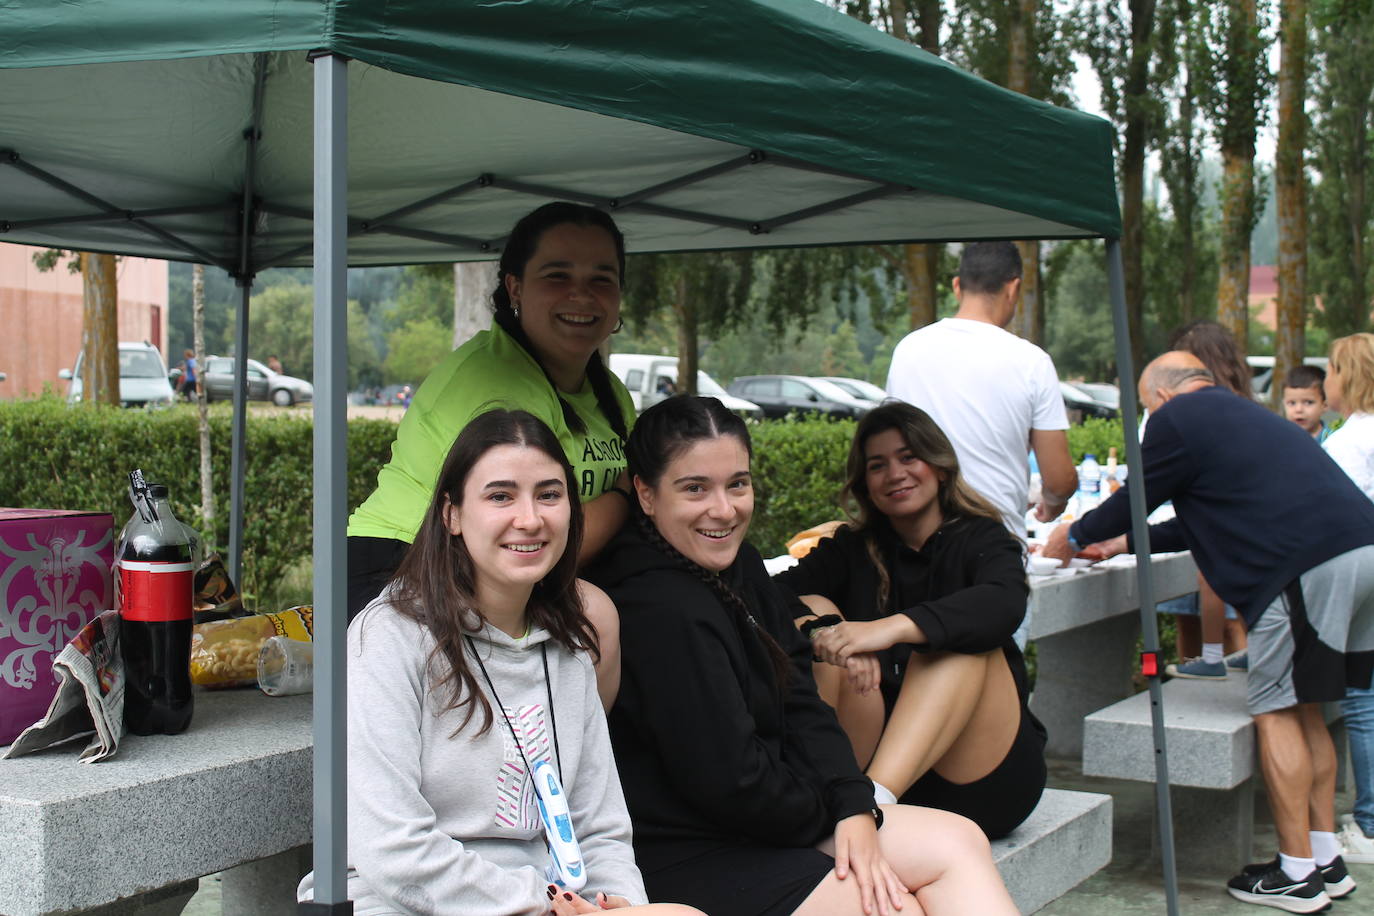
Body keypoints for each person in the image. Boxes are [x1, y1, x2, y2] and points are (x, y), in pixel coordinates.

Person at [587, 396, 1018, 916]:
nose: (723, 509)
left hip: (765, 818)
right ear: (646, 494)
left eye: (737, 484)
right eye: (694, 488)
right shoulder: (655, 605)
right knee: (889, 906)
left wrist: (854, 804)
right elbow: (731, 783)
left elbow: (799, 698)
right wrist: (832, 815)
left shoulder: (736, 565)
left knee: (959, 841)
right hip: (690, 850)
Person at [299, 409, 702, 916]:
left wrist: (618, 906)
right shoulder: (389, 636)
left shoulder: (570, 648)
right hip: (399, 903)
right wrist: (541, 905)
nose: (530, 518)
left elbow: (600, 828)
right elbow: (391, 848)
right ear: (451, 513)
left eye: (549, 495)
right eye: (500, 496)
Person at [1043, 351, 1374, 911]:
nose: (1152, 422)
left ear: (1164, 397)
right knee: (1308, 706)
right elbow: (1198, 519)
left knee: (1274, 711)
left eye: (1148, 409)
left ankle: (1295, 873)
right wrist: (1122, 543)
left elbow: (1134, 499)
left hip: (1303, 568)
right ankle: (1323, 860)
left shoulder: (1180, 417)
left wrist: (1070, 537)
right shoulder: (1240, 413)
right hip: (1357, 552)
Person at [347, 202, 637, 706]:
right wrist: (625, 499)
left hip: (505, 572)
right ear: (515, 289)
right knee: (599, 616)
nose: (581, 295)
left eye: (601, 279)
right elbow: (527, 529)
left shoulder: (609, 392)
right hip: (405, 566)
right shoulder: (498, 389)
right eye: (557, 275)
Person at [774, 401, 1046, 840]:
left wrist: (885, 629)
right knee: (815, 603)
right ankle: (831, 785)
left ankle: (875, 801)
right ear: (865, 483)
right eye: (877, 465)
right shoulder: (853, 548)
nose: (894, 473)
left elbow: (1005, 603)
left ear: (938, 466)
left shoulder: (982, 537)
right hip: (873, 750)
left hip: (980, 778)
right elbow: (771, 592)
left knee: (958, 645)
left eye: (908, 457)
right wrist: (824, 631)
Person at [885, 241, 1076, 646]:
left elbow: (887, 448)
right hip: (992, 555)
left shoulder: (909, 350)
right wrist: (1051, 504)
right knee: (995, 691)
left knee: (913, 683)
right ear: (1013, 289)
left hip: (912, 547)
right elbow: (1060, 478)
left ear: (957, 286)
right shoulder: (1031, 362)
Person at [1162, 320, 1250, 677]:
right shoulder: (1238, 407)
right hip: (1224, 518)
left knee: (1213, 585)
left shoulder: (1211, 412)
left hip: (1224, 521)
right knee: (1193, 608)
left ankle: (1214, 659)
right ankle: (1210, 663)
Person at [1321, 333, 1374, 865]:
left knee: (1362, 700)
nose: (1324, 383)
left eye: (1332, 371)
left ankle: (1370, 825)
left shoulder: (1349, 440)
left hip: (1358, 572)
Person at [1284, 365, 1333, 445]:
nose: (1299, 409)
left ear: (1325, 405)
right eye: (1292, 403)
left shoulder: (1332, 441)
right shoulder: (1279, 439)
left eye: (1308, 402)